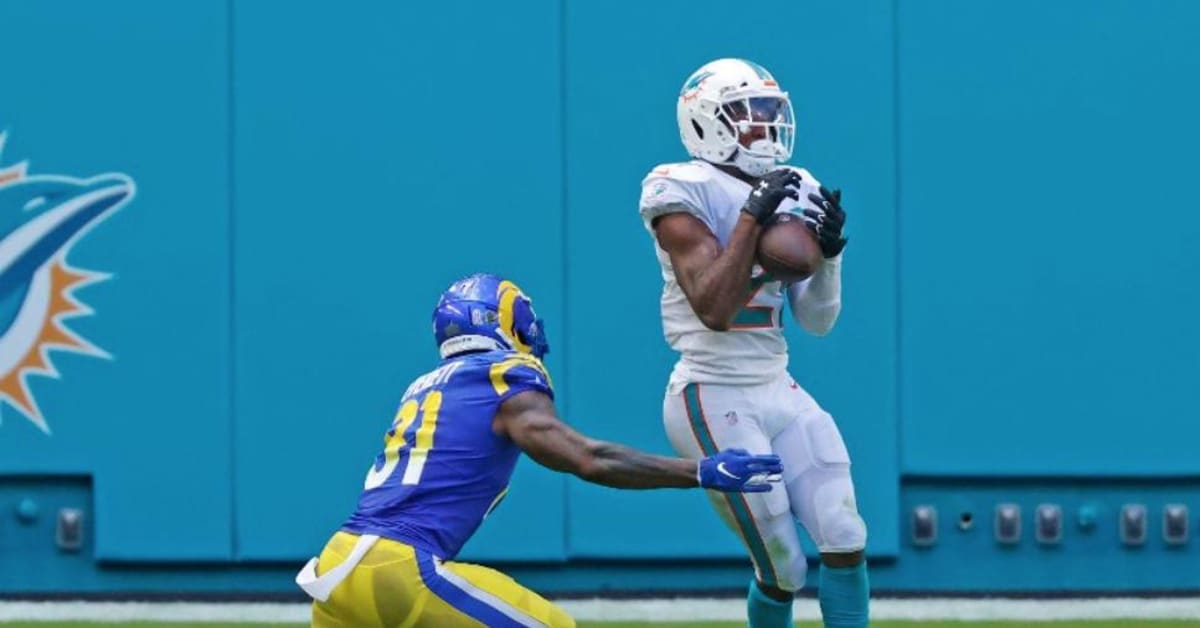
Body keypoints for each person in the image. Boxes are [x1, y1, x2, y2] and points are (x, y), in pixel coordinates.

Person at [295, 272, 784, 627]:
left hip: (337, 567)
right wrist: (699, 470)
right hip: (399, 568)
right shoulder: (502, 375)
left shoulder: (425, 386)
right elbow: (587, 457)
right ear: (499, 322)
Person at [637, 58, 868, 628]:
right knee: (784, 566)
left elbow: (816, 321)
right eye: (750, 113)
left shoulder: (798, 186)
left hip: (776, 381)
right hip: (711, 391)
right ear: (706, 122)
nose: (765, 126)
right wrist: (749, 219)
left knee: (844, 533)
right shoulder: (677, 187)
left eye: (770, 112)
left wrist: (831, 259)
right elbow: (714, 309)